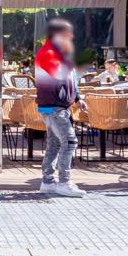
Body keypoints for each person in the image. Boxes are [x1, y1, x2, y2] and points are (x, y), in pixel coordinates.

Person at [34, 18, 83, 198]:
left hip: (55, 106)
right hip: (54, 107)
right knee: (69, 142)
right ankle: (63, 182)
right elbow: (59, 74)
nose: (71, 37)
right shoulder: (48, 53)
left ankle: (48, 182)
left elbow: (70, 79)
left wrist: (77, 98)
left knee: (54, 144)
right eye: (67, 34)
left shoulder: (57, 53)